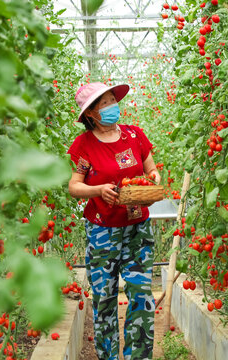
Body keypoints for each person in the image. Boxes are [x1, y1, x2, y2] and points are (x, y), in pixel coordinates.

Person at [67, 82, 161, 360]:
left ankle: (138, 356)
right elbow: (74, 186)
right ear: (91, 114)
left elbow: (151, 169)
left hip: (137, 230)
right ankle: (107, 356)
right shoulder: (84, 145)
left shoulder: (134, 135)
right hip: (102, 232)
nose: (112, 106)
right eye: (104, 103)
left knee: (141, 296)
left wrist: (153, 182)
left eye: (112, 100)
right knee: (104, 298)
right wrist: (97, 190)